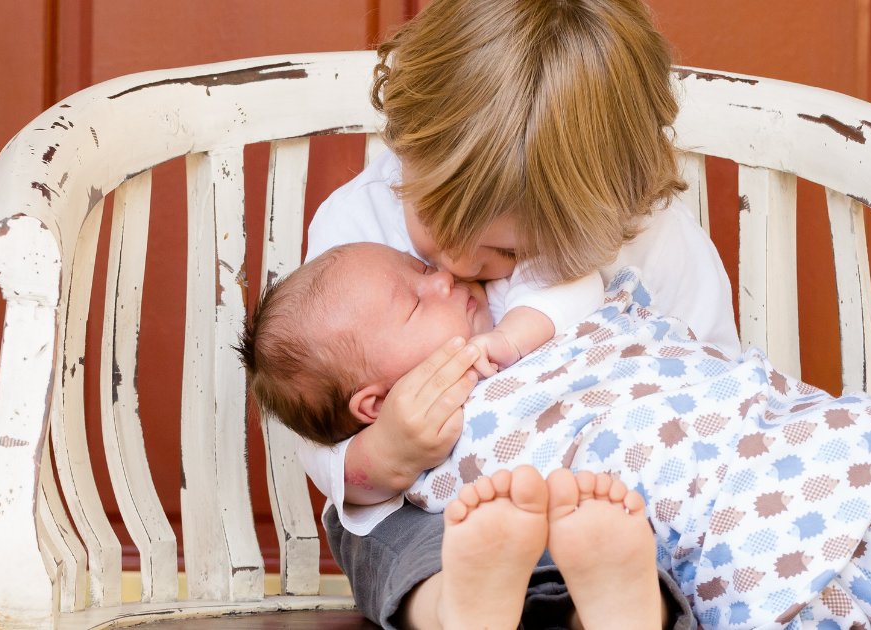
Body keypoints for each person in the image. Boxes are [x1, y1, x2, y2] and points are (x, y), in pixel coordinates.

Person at [252, 0, 740, 628]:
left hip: (614, 495)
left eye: (508, 251)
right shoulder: (356, 228)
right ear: (406, 147)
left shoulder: (649, 238)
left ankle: (615, 608)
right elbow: (321, 426)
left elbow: (714, 377)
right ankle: (459, 608)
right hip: (450, 511)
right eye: (433, 220)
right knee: (386, 539)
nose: (453, 264)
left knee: (647, 541)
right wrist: (390, 448)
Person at [241, 244, 871, 630]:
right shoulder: (350, 249)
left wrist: (517, 339)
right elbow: (346, 471)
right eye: (414, 298)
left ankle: (605, 605)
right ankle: (493, 607)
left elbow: (600, 312)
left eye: (423, 269)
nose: (447, 279)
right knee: (385, 524)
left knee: (622, 503)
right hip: (551, 513)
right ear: (374, 401)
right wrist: (390, 453)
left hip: (701, 444)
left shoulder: (524, 297)